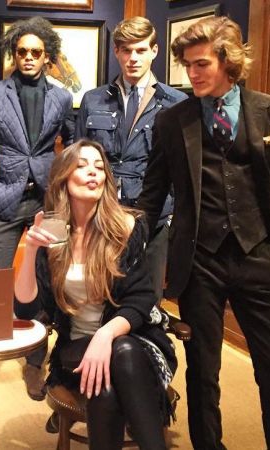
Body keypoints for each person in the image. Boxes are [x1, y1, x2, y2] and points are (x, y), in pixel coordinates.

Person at [137, 16, 270, 450]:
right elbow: (152, 195)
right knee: (203, 372)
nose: (192, 74)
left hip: (260, 256)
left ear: (228, 61)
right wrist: (127, 245)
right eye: (187, 65)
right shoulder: (172, 122)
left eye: (201, 64)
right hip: (200, 261)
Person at [15, 139, 176, 450]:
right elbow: (26, 309)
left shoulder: (125, 227)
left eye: (100, 167)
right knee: (112, 364)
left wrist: (105, 335)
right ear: (63, 177)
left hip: (133, 342)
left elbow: (142, 298)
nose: (94, 173)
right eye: (83, 166)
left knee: (112, 374)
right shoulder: (53, 232)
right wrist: (31, 249)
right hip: (76, 350)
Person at [0, 16, 74, 400]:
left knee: (47, 282)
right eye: (21, 51)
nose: (28, 57)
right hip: (3, 198)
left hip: (47, 200)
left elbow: (73, 145)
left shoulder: (62, 97)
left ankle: (35, 362)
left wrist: (65, 191)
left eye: (36, 52)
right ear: (13, 54)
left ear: (47, 56)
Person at [75, 15, 186, 314]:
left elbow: (183, 169)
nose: (133, 58)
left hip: (153, 217)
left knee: (145, 303)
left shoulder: (175, 103)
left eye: (140, 50)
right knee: (98, 296)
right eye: (126, 50)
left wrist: (173, 215)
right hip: (103, 213)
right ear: (117, 52)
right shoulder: (94, 100)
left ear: (154, 51)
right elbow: (78, 160)